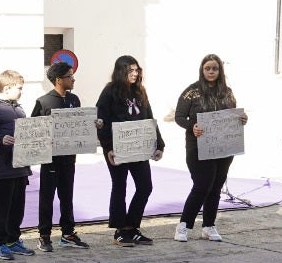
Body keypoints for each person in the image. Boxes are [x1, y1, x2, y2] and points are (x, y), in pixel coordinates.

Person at [173, 53, 246, 242]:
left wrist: (241, 120)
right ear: (202, 70)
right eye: (208, 68)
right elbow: (179, 117)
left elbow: (231, 116)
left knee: (215, 187)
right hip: (197, 147)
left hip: (224, 147)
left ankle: (209, 226)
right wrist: (192, 126)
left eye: (215, 68)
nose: (211, 71)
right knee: (202, 185)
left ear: (220, 70)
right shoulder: (192, 91)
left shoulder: (227, 92)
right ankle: (184, 226)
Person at [95, 55, 163, 246]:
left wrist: (159, 144)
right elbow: (101, 120)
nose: (134, 74)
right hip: (117, 149)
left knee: (145, 186)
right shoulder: (110, 91)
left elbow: (149, 118)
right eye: (130, 71)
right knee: (120, 186)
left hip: (138, 148)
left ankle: (132, 227)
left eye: (136, 70)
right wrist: (107, 147)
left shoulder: (140, 91)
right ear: (120, 72)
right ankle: (119, 230)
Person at [31, 61, 93, 251]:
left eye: (73, 75)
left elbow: (81, 125)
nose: (73, 79)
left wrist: (93, 125)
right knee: (47, 197)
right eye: (69, 76)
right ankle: (44, 235)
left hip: (69, 157)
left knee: (67, 195)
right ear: (58, 80)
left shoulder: (74, 99)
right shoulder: (44, 101)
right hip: (50, 158)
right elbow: (33, 128)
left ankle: (68, 233)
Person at [0, 69, 32, 261]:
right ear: (8, 88)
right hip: (2, 166)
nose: (21, 91)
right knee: (1, 206)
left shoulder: (19, 108)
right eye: (19, 88)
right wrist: (1, 139)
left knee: (18, 206)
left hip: (20, 165)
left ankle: (13, 240)